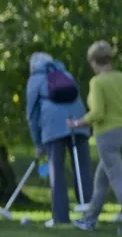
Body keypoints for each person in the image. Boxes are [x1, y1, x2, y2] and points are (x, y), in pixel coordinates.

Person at [68, 41, 122, 235]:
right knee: (102, 180)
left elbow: (97, 112)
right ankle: (90, 219)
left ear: (94, 62)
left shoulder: (97, 82)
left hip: (108, 136)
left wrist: (77, 123)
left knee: (117, 179)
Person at [26, 52, 92, 227]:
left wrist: (38, 143)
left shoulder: (34, 80)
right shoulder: (66, 74)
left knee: (57, 170)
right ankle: (90, 214)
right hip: (78, 122)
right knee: (83, 168)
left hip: (53, 126)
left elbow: (32, 115)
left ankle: (61, 217)